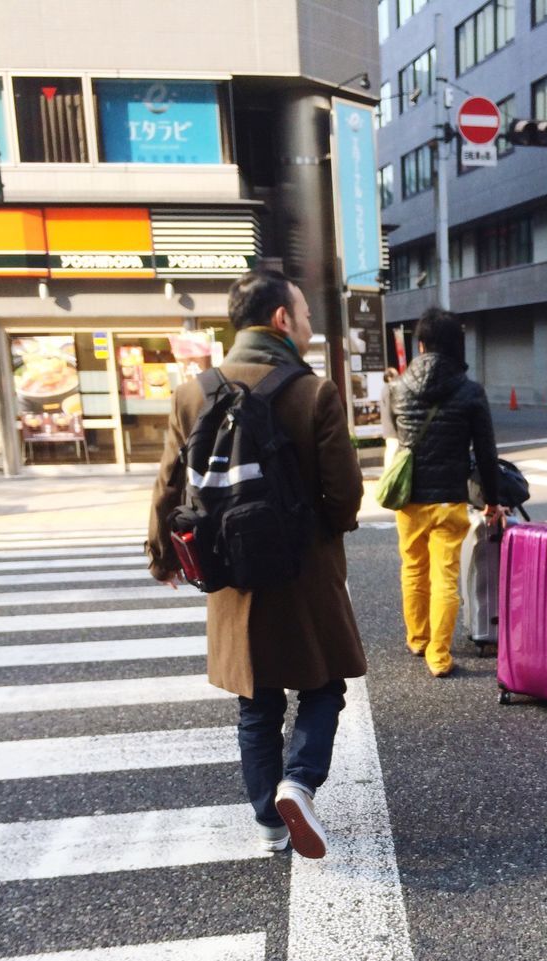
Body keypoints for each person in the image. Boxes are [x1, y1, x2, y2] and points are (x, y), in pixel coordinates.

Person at [147, 268, 367, 854]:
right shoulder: (313, 391)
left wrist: (163, 555)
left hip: (229, 571)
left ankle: (269, 821)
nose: (309, 325)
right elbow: (345, 498)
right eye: (305, 315)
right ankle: (300, 780)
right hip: (304, 570)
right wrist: (323, 526)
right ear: (280, 320)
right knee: (324, 685)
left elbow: (171, 484)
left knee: (257, 699)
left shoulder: (193, 392)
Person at [386, 307, 502, 677]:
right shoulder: (470, 391)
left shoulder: (399, 387)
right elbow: (486, 453)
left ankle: (418, 638)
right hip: (449, 499)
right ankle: (439, 655)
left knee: (413, 569)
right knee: (446, 577)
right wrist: (493, 500)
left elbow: (399, 440)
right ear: (457, 347)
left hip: (408, 499)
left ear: (421, 344)